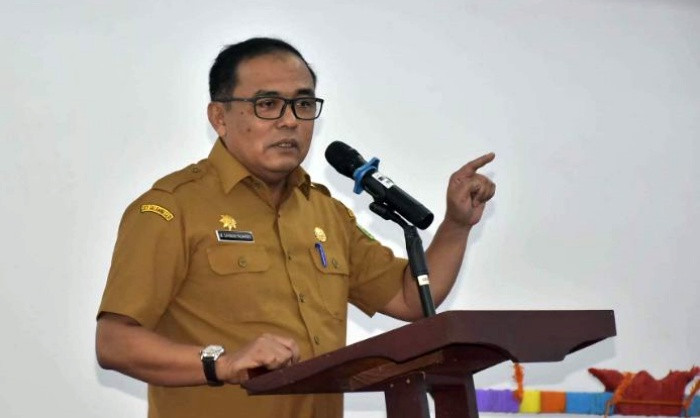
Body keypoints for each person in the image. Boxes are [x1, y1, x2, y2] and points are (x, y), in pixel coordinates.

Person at [95, 37, 495, 418]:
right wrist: (222, 362)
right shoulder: (172, 209)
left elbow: (411, 298)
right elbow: (113, 342)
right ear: (219, 117)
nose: (289, 121)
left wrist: (457, 225)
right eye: (268, 104)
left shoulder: (326, 214)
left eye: (303, 104)